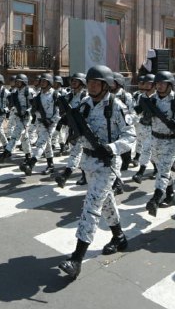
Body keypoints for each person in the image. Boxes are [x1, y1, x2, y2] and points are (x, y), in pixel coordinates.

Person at [58, 65, 135, 280]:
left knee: (91, 206)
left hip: (107, 163)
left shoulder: (117, 107)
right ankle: (119, 237)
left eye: (95, 83)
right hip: (89, 162)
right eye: (89, 82)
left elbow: (131, 137)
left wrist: (110, 148)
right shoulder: (83, 105)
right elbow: (78, 133)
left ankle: (77, 258)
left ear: (105, 85)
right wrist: (70, 126)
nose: (91, 86)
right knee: (106, 201)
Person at [142, 71, 175, 216]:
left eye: (163, 83)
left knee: (163, 171)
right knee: (162, 169)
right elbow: (141, 116)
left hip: (171, 141)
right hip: (155, 139)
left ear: (170, 85)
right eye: (157, 83)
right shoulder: (151, 100)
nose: (159, 86)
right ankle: (171, 195)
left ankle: (155, 199)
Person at [23, 73, 60, 176]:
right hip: (40, 123)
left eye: (44, 81)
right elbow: (34, 107)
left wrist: (52, 121)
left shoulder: (55, 95)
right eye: (41, 81)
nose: (42, 83)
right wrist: (29, 111)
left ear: (49, 83)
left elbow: (59, 111)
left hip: (50, 124)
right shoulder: (39, 95)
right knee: (47, 144)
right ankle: (51, 165)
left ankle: (30, 164)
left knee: (41, 143)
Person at [54, 72, 88, 187]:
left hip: (83, 130)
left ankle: (65, 176)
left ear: (82, 83)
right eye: (72, 80)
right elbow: (65, 112)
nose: (73, 82)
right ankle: (85, 176)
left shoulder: (86, 97)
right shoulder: (69, 96)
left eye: (76, 80)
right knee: (80, 154)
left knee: (75, 153)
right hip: (72, 129)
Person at [0, 74, 32, 162]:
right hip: (17, 117)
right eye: (16, 81)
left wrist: (27, 111)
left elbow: (34, 105)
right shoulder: (15, 92)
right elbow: (11, 104)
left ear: (24, 82)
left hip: (26, 118)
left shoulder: (29, 91)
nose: (17, 83)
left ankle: (6, 153)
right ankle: (28, 154)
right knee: (24, 137)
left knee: (15, 135)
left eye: (19, 81)